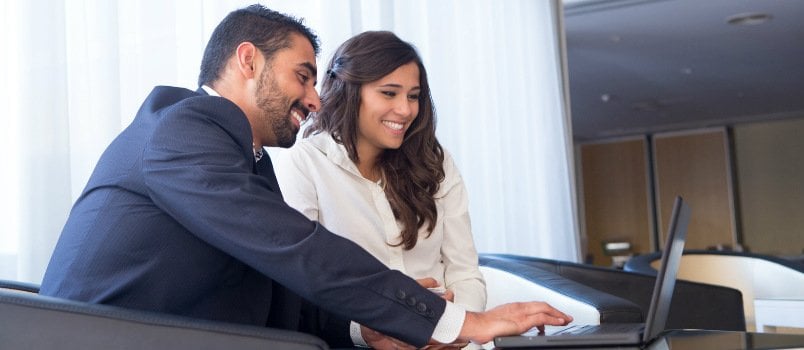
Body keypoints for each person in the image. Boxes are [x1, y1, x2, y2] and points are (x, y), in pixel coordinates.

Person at [39, 4, 572, 349]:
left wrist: (365, 328)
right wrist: (458, 323)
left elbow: (280, 288)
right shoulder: (180, 131)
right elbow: (296, 247)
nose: (316, 99)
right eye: (302, 75)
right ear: (248, 61)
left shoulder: (244, 159)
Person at [275, 30, 486, 346]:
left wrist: (451, 330)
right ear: (350, 92)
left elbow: (466, 273)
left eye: (413, 96)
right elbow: (301, 286)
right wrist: (375, 327)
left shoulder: (435, 163)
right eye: (389, 93)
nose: (405, 110)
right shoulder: (304, 164)